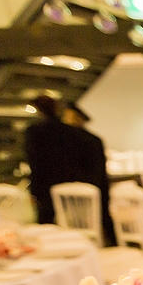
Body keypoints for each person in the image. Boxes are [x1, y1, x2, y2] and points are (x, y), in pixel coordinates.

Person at [24, 96, 116, 245]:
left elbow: (36, 164)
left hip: (52, 190)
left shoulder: (37, 133)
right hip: (86, 188)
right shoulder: (85, 138)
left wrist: (36, 191)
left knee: (50, 225)